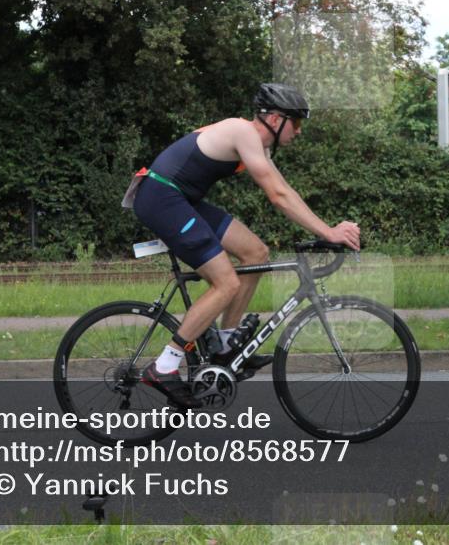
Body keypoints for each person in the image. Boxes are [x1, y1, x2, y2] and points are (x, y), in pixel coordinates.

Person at [130, 83, 360, 409]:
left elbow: (285, 191)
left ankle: (225, 346)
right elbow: (277, 196)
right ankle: (165, 365)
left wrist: (326, 230)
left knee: (256, 252)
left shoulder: (258, 146)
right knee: (226, 283)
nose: (299, 131)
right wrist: (330, 232)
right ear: (277, 119)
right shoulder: (243, 131)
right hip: (162, 197)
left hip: (181, 199)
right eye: (297, 122)